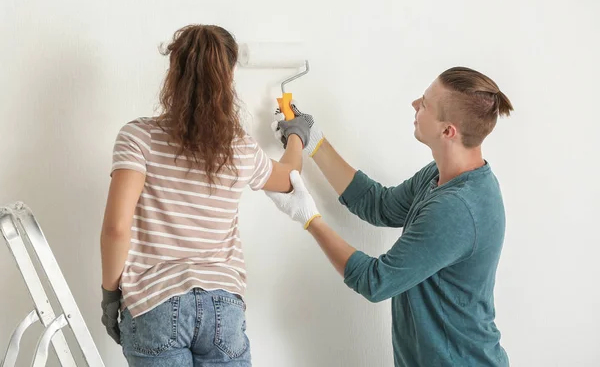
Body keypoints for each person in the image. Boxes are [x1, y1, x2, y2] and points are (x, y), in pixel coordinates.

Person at [266, 67, 513, 366]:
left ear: (448, 130)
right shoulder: (441, 175)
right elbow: (379, 205)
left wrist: (309, 218)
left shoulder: (458, 208)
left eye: (425, 103)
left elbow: (376, 281)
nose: (414, 105)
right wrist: (314, 140)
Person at [99, 24, 311, 367]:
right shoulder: (239, 148)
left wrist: (110, 296)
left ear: (173, 75)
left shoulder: (138, 138)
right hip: (222, 306)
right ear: (228, 78)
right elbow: (289, 178)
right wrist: (297, 133)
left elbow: (116, 229)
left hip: (154, 304)